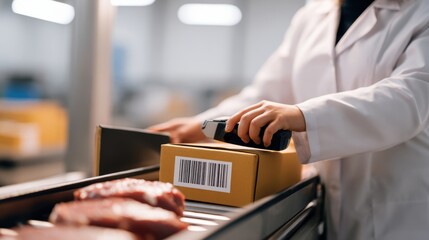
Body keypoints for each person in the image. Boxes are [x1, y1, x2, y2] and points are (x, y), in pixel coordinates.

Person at [149, 0, 429, 239]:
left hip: (400, 215)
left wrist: (302, 115)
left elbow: (410, 97)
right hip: (331, 210)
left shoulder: (420, 12)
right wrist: (200, 125)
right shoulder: (313, 14)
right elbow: (265, 92)